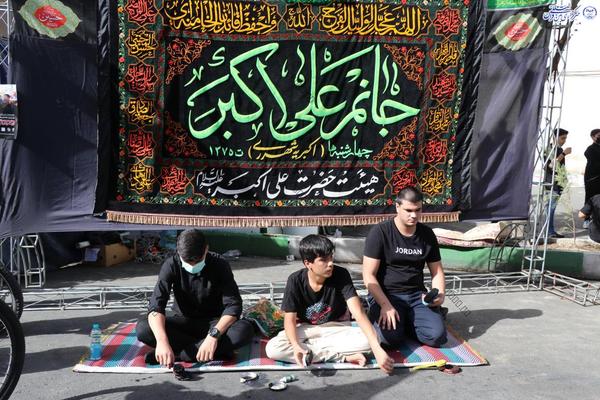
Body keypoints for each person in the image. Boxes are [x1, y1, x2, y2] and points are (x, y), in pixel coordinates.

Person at [265, 234, 394, 374]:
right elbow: (289, 320)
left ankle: (310, 349)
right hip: (307, 330)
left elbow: (358, 312)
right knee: (273, 348)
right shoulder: (295, 280)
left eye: (331, 257)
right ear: (308, 263)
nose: (330, 263)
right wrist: (296, 346)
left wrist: (377, 349)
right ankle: (341, 357)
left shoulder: (341, 274)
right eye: (323, 260)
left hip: (335, 328)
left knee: (372, 340)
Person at [136, 229, 254, 367]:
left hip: (215, 324)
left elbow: (233, 305)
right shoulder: (171, 264)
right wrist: (162, 341)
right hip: (184, 323)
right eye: (187, 262)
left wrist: (213, 336)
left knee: (244, 330)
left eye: (197, 261)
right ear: (178, 252)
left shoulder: (220, 264)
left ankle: (181, 355)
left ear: (206, 249)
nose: (192, 266)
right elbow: (156, 305)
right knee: (143, 328)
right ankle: (212, 352)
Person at [362, 186, 447, 348]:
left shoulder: (427, 234)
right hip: (386, 295)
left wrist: (440, 294)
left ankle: (408, 321)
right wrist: (385, 305)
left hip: (417, 295)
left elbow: (437, 271)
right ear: (397, 207)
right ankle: (387, 317)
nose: (414, 215)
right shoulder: (380, 232)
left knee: (437, 338)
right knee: (389, 341)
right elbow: (368, 275)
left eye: (418, 210)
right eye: (408, 210)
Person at [544, 128, 571, 238]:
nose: (564, 141)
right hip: (552, 183)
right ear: (555, 137)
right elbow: (551, 165)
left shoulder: (559, 149)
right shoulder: (549, 149)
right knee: (550, 208)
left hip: (558, 183)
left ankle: (550, 231)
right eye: (562, 138)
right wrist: (564, 154)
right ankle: (549, 232)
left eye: (565, 138)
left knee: (551, 208)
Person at [584, 129, 600, 206]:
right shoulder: (590, 149)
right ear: (593, 137)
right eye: (599, 136)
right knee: (591, 199)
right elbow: (595, 163)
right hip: (592, 179)